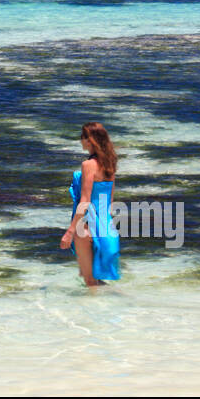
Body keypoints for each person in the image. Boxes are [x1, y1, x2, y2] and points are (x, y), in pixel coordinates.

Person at [58, 121, 121, 286]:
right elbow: (110, 201)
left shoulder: (88, 165)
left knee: (90, 280)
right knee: (96, 280)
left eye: (82, 137)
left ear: (90, 140)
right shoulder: (110, 164)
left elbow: (85, 201)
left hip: (87, 225)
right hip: (105, 225)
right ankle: (115, 304)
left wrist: (70, 231)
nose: (80, 140)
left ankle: (91, 309)